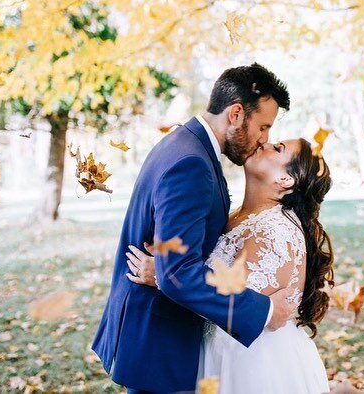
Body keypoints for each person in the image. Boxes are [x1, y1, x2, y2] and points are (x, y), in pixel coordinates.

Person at [91, 63, 297, 393]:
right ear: (236, 114)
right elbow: (179, 274)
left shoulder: (188, 145)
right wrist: (265, 310)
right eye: (263, 126)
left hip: (161, 338)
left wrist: (162, 270)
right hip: (160, 348)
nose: (264, 139)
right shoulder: (191, 163)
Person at [128, 137, 335, 393]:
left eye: (278, 149)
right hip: (219, 349)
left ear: (285, 180)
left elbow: (228, 305)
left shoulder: (274, 229)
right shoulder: (238, 215)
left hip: (251, 361)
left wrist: (162, 275)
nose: (266, 142)